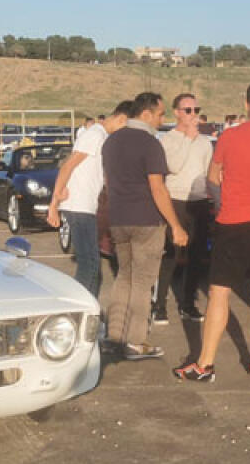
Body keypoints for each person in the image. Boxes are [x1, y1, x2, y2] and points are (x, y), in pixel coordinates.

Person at [174, 82, 250, 383]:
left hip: (234, 220)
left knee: (219, 293)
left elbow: (213, 177)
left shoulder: (230, 136)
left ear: (246, 103)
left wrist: (224, 193)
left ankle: (205, 364)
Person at [101, 92, 189, 361]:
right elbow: (157, 188)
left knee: (123, 277)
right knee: (141, 282)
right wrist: (176, 225)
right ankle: (137, 341)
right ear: (147, 114)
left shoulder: (111, 142)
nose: (163, 119)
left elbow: (109, 182)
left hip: (118, 218)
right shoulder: (150, 143)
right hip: (146, 220)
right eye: (161, 114)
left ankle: (114, 336)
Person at [47, 101, 133, 299]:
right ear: (121, 119)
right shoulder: (94, 135)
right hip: (79, 206)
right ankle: (77, 310)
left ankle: (89, 311)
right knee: (89, 265)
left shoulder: (99, 136)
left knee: (93, 267)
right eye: (125, 127)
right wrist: (54, 204)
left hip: (86, 206)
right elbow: (68, 165)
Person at [153, 93, 214, 324]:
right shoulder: (168, 139)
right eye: (187, 110)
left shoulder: (204, 142)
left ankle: (188, 303)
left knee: (197, 256)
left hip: (198, 201)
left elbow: (210, 174)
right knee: (170, 254)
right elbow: (173, 166)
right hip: (175, 200)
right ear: (177, 112)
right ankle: (159, 305)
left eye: (195, 110)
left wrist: (216, 199)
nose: (192, 115)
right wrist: (187, 139)